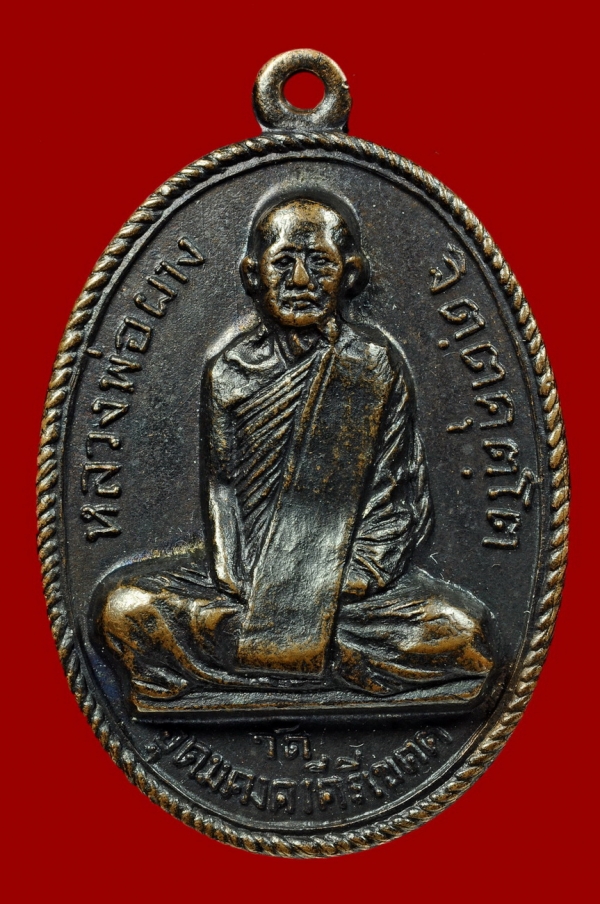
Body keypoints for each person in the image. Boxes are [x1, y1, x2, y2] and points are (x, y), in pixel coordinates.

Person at [99, 193, 495, 703]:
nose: (302, 281)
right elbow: (222, 490)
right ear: (253, 274)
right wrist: (241, 581)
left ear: (350, 274)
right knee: (125, 608)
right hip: (246, 584)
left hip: (347, 587)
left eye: (320, 264)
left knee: (462, 630)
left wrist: (338, 582)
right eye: (283, 262)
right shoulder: (229, 373)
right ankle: (310, 662)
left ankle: (255, 664)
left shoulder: (372, 365)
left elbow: (398, 498)